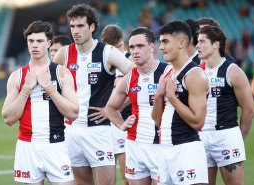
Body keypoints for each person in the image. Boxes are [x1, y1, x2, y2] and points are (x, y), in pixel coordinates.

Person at [53, 4, 135, 185]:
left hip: (99, 130)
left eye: (80, 26)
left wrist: (114, 108)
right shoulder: (63, 54)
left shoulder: (108, 53)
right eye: (72, 26)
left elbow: (139, 77)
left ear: (92, 27)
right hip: (71, 131)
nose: (75, 31)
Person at [2, 21, 79, 185]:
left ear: (49, 44)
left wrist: (49, 87)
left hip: (56, 145)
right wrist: (26, 89)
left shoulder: (62, 73)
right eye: (31, 41)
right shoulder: (17, 76)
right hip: (28, 147)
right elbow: (8, 118)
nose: (34, 45)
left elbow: (73, 113)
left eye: (39, 41)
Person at [106, 27, 170, 185]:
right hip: (134, 145)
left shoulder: (168, 72)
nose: (135, 51)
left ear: (152, 47)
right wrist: (121, 124)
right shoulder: (128, 78)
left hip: (161, 146)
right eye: (132, 47)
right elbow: (110, 108)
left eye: (140, 46)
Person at [151, 20, 209, 185]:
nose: (160, 47)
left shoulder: (194, 74)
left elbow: (198, 122)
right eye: (160, 42)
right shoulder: (167, 72)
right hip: (165, 149)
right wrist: (158, 96)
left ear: (182, 43)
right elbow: (157, 121)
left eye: (165, 42)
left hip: (187, 150)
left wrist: (172, 98)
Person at [196, 26, 254, 185]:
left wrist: (237, 139)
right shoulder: (195, 72)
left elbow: (249, 111)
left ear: (216, 44)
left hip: (226, 135)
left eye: (202, 41)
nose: (197, 45)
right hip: (200, 137)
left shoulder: (232, 71)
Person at [101, 24, 132, 185]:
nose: (118, 51)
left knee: (128, 177)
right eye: (113, 48)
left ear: (123, 41)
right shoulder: (102, 62)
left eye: (120, 46)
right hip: (104, 124)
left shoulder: (130, 59)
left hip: (123, 119)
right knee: (105, 175)